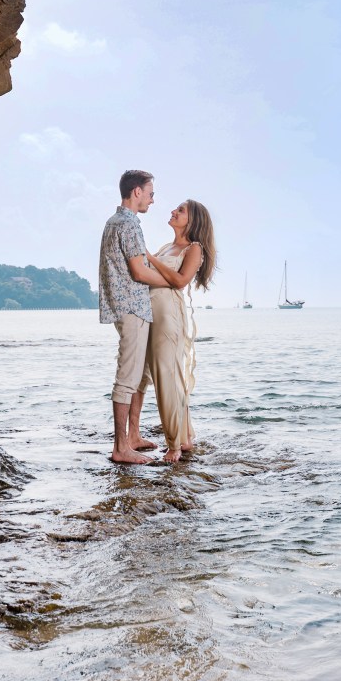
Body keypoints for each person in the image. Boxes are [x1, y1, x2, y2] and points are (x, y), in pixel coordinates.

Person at [99, 170, 171, 464]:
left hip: (129, 307)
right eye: (151, 193)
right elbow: (139, 272)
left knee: (140, 376)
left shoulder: (115, 222)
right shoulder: (128, 225)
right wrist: (174, 281)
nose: (153, 200)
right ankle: (120, 448)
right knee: (127, 379)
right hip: (131, 308)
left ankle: (132, 436)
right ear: (137, 192)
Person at [141, 199, 216, 463]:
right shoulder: (167, 247)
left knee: (167, 377)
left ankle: (174, 444)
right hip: (152, 313)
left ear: (193, 219)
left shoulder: (194, 248)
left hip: (168, 315)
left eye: (180, 210)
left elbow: (180, 281)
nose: (173, 211)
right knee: (162, 376)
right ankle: (183, 437)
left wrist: (149, 258)